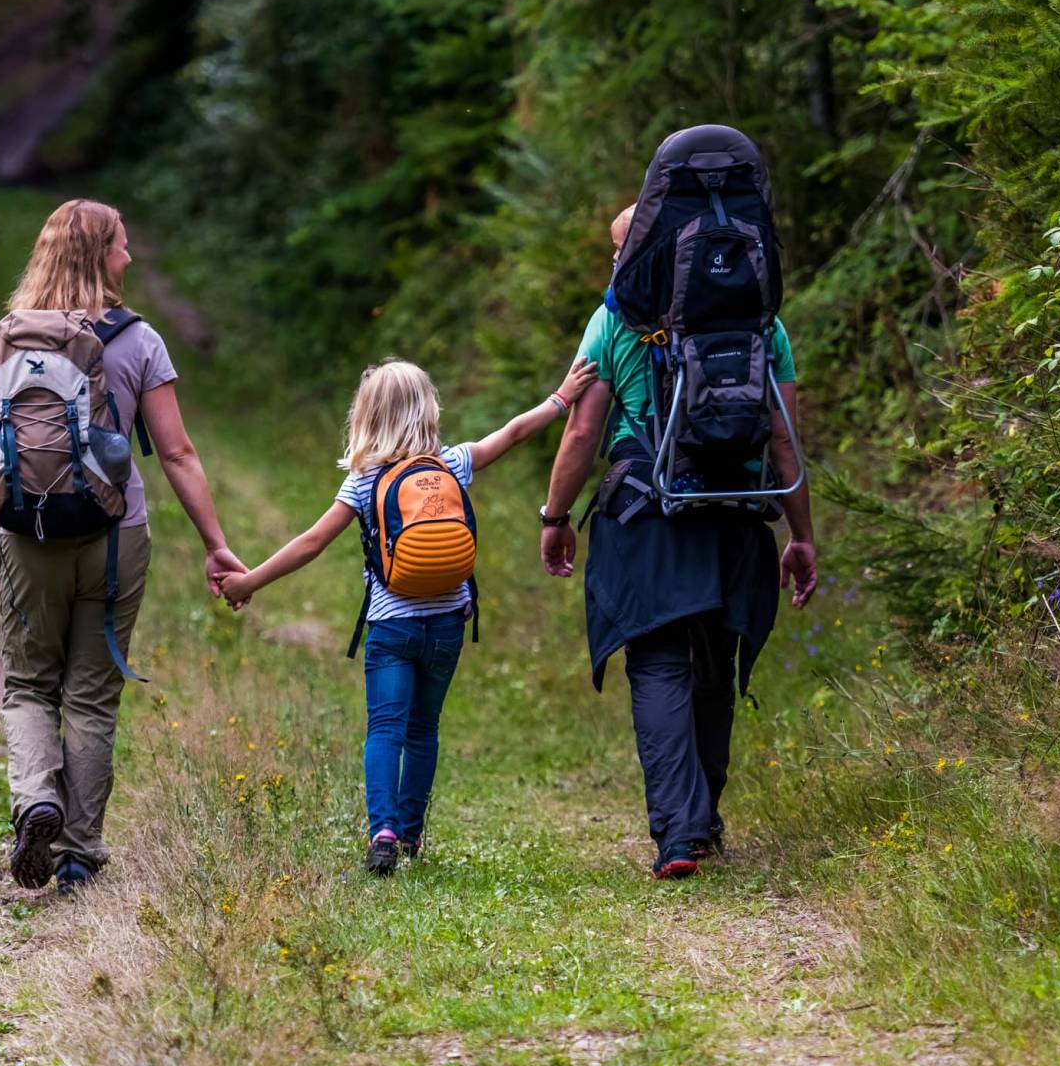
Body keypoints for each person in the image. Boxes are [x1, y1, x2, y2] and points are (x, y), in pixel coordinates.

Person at [0, 199, 247, 894]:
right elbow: (178, 453)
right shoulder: (137, 340)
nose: (130, 258)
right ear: (100, 255)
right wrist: (216, 544)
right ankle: (77, 851)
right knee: (93, 695)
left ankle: (35, 799)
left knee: (28, 684)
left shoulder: (12, 336)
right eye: (123, 246)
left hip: (28, 533)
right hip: (114, 537)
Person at [219, 357, 596, 874]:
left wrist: (249, 581)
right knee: (424, 729)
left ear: (368, 417)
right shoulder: (453, 464)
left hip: (391, 626)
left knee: (385, 729)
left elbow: (310, 543)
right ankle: (413, 835)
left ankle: (384, 830)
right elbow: (511, 434)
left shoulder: (365, 481)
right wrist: (561, 398)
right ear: (428, 410)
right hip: (446, 625)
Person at [539, 202, 818, 879]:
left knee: (661, 663)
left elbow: (581, 433)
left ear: (638, 254)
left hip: (646, 516)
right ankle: (704, 819)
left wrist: (555, 515)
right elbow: (783, 436)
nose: (615, 262)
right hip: (734, 513)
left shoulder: (615, 319)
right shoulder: (760, 322)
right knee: (714, 667)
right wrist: (801, 533)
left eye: (619, 250)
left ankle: (681, 834)